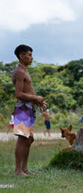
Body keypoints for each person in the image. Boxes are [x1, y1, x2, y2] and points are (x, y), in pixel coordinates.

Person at [12, 44, 46, 176]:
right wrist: (35, 97)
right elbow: (18, 94)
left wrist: (37, 101)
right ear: (21, 56)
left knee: (29, 139)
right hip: (23, 108)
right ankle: (18, 170)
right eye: (29, 55)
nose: (32, 58)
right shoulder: (19, 72)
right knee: (22, 138)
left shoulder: (25, 70)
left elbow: (26, 92)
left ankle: (24, 169)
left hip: (29, 107)